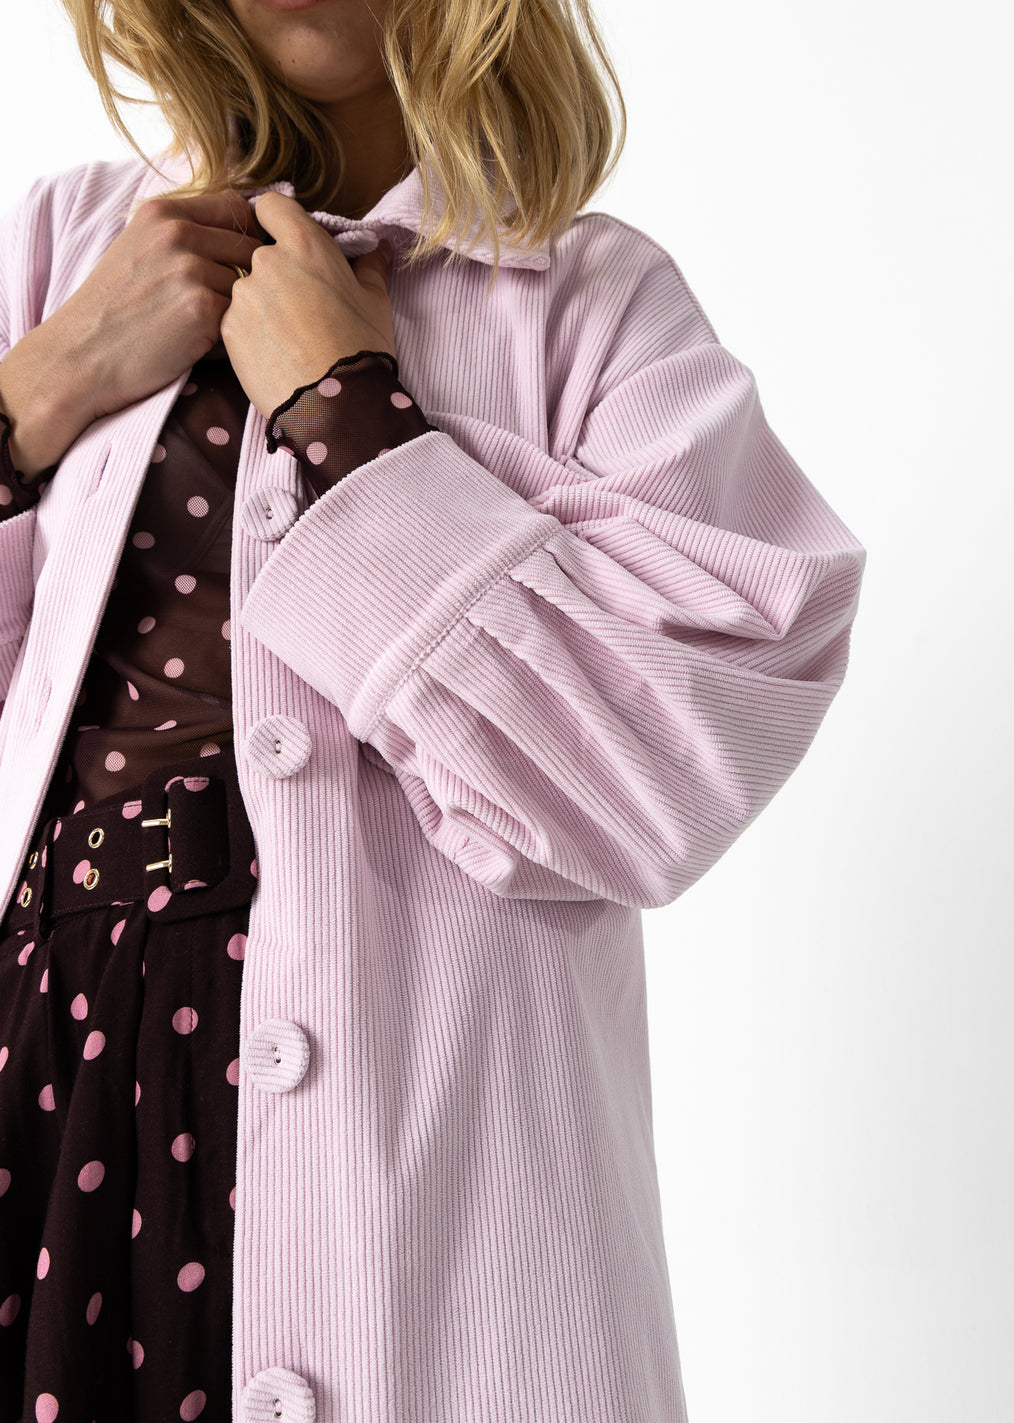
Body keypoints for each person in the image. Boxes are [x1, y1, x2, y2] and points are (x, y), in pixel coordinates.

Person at [0, 0, 867, 1418]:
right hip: (46, 1074)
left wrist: (353, 415)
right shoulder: (60, 251)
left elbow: (670, 767)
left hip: (427, 1140)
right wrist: (38, 390)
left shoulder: (589, 304)